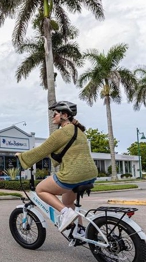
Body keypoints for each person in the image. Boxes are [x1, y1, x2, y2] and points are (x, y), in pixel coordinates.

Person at [15, 101, 97, 238]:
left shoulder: (62, 132)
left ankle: (66, 213)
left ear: (64, 115)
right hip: (90, 173)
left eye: (55, 114)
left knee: (41, 189)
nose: (53, 117)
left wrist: (22, 157)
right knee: (67, 202)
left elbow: (42, 150)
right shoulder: (79, 131)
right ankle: (80, 230)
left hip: (73, 174)